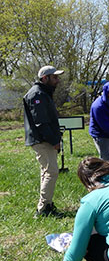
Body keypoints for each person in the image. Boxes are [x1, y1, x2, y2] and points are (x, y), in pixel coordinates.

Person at [23, 65, 66, 217]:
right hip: (42, 140)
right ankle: (43, 209)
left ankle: (47, 204)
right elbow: (40, 122)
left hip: (45, 139)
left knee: (46, 172)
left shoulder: (43, 93)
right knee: (51, 172)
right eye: (54, 77)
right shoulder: (37, 95)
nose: (57, 80)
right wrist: (54, 140)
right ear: (44, 78)